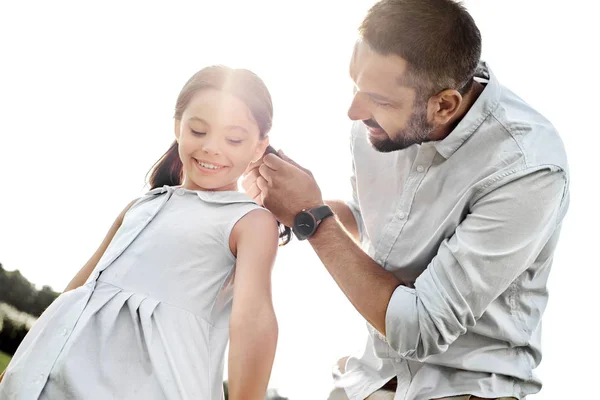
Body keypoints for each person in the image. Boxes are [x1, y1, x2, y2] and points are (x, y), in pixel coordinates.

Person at [242, 0, 569, 399]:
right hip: (371, 379)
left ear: (444, 104)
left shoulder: (526, 167)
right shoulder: (380, 126)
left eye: (379, 100)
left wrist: (310, 216)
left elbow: (421, 328)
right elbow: (370, 221)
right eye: (355, 84)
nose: (353, 111)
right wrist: (287, 204)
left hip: (466, 388)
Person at [0, 65, 284, 400]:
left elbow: (253, 321)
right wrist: (25, 362)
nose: (211, 147)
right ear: (178, 126)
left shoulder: (249, 221)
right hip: (50, 382)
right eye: (198, 130)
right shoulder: (141, 206)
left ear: (258, 145)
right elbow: (78, 289)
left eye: (233, 139)